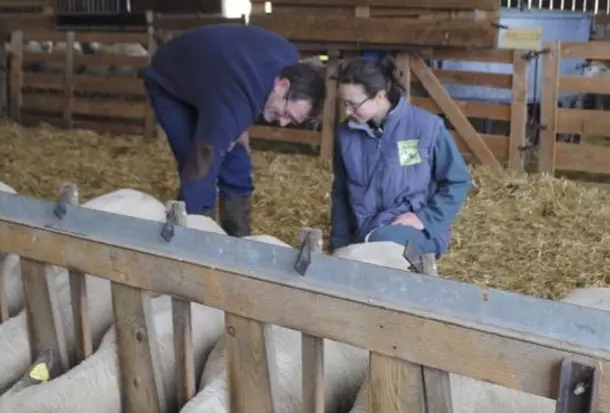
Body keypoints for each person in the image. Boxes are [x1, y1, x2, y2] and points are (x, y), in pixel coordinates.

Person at [144, 23, 327, 237]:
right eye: (286, 113)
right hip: (171, 84)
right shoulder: (235, 105)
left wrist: (240, 125)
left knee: (237, 164)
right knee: (198, 165)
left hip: (216, 80)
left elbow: (238, 89)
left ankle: (238, 240)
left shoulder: (291, 64)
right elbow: (201, 167)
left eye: (292, 121)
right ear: (282, 85)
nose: (283, 124)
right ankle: (197, 240)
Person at [328, 56, 473, 260]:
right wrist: (338, 243)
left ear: (379, 96)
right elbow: (340, 192)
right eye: (344, 103)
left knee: (376, 246)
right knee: (355, 254)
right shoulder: (346, 134)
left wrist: (426, 219)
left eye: (353, 104)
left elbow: (458, 181)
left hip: (413, 230)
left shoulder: (427, 127)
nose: (347, 111)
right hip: (364, 230)